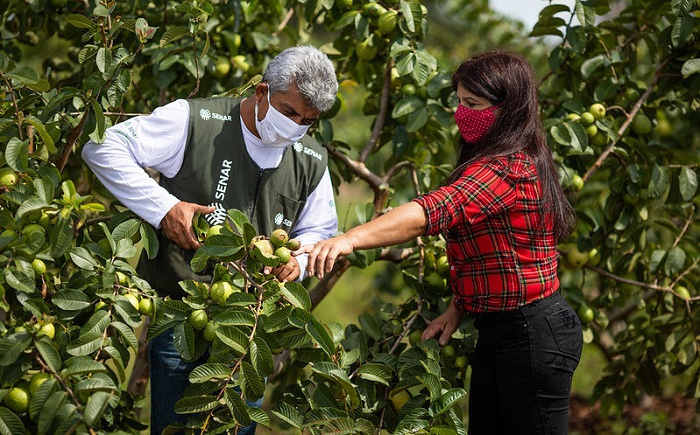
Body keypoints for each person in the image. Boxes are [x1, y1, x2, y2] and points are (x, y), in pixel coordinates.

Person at [299, 51, 583, 434]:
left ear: (508, 110)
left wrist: (348, 239)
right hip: (504, 330)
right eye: (459, 101)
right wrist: (458, 307)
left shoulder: (508, 169)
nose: (459, 112)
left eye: (472, 104)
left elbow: (433, 211)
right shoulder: (502, 159)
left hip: (533, 332)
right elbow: (495, 255)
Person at [82, 45, 339, 434]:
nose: (296, 125)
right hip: (184, 318)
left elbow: (321, 230)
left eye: (308, 120)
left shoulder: (311, 159)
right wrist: (164, 208)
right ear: (260, 92)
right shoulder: (196, 120)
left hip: (250, 331)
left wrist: (298, 262)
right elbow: (102, 146)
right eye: (289, 112)